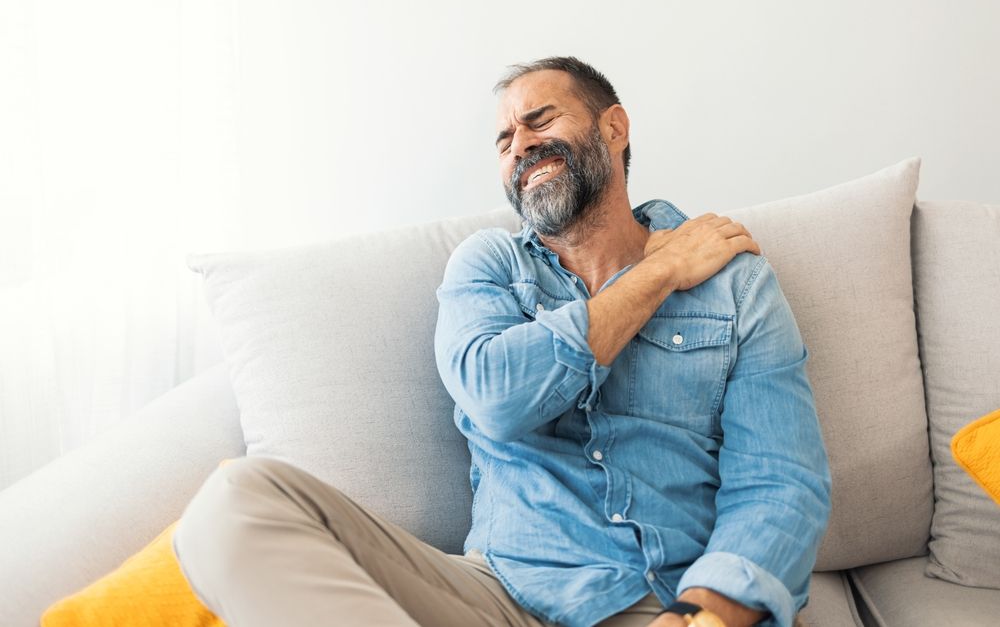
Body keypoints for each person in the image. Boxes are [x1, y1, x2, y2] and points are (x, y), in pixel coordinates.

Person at [173, 56, 831, 627]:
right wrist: (656, 273)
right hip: (497, 596)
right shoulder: (487, 267)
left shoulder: (732, 279)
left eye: (540, 120)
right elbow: (495, 395)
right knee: (232, 504)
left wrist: (702, 612)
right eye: (504, 139)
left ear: (614, 127)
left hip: (657, 596)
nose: (519, 144)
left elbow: (781, 481)